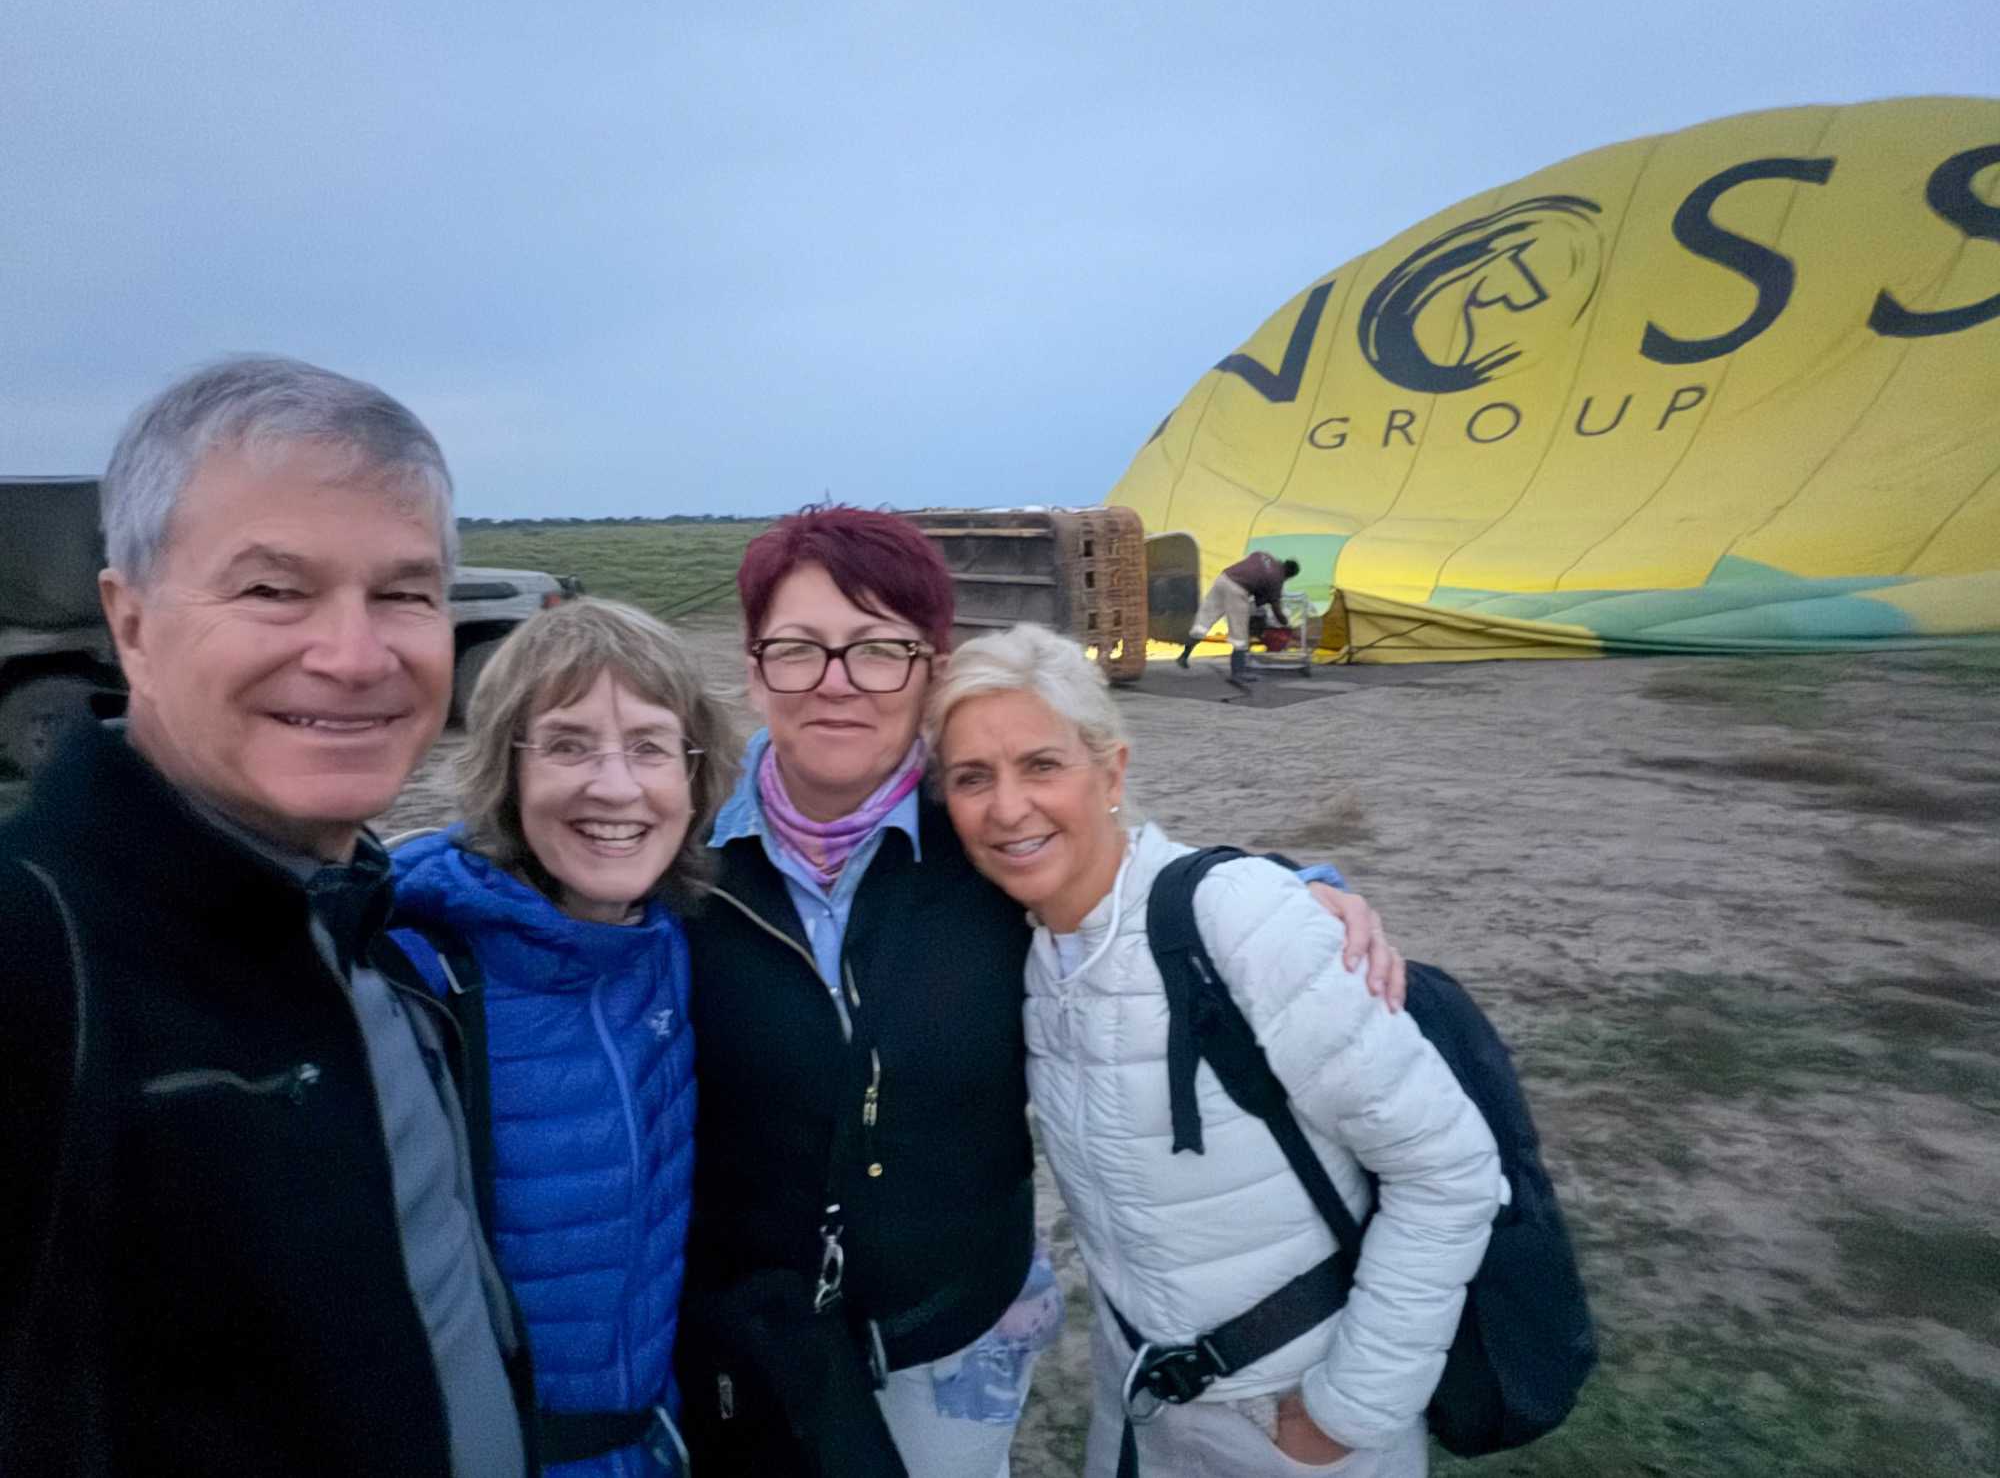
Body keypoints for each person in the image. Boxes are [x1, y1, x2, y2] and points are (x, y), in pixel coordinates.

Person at [675, 506, 1402, 1477]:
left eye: (880, 648)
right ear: (754, 666)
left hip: (955, 1336)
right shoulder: (678, 860)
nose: (838, 681)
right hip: (754, 1345)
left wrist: (1299, 887)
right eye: (799, 647)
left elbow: (1132, 876)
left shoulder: (990, 836)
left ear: (931, 669)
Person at [0, 357, 534, 1477]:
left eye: (405, 593)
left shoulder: (364, 924)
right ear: (130, 622)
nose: (355, 654)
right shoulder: (35, 962)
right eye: (272, 590)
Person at [930, 622, 1505, 1478]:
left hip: (1297, 1420)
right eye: (972, 777)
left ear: (1112, 772)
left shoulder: (1239, 919)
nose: (1007, 807)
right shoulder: (1033, 954)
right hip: (1141, 1405)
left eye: (1042, 764)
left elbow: (1449, 1168)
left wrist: (1347, 1410)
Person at [387, 598, 738, 1477]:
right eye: (569, 744)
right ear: (507, 768)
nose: (615, 786)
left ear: (694, 775)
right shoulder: (416, 975)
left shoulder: (666, 942)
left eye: (650, 746)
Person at [1177, 550, 1302, 684]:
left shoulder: (1264, 555)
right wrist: (1287, 624)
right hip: (1237, 590)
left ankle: (1184, 655)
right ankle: (1238, 673)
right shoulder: (1277, 579)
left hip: (1224, 578)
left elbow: (1253, 570)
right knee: (1239, 634)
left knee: (1203, 621)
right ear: (1289, 575)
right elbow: (1276, 610)